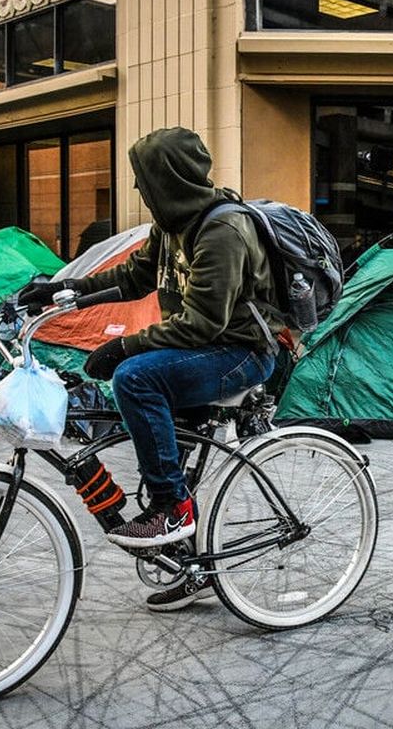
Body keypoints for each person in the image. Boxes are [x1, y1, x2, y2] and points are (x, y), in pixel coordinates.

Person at [18, 127, 279, 611]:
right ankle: (192, 561)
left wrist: (125, 348)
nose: (139, 189)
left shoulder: (222, 231)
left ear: (169, 179)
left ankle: (171, 511)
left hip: (241, 350)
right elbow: (133, 276)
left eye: (143, 178)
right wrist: (61, 290)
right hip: (204, 347)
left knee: (136, 378)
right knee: (170, 449)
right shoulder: (172, 224)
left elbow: (203, 322)